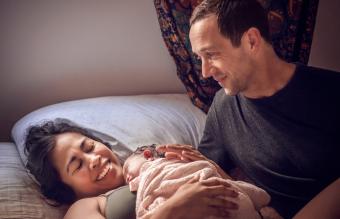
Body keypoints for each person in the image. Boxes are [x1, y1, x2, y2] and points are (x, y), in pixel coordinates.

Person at [158, 0, 340, 218]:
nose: (205, 72)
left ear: (251, 41)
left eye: (212, 54)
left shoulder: (330, 91)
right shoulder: (223, 107)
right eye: (200, 58)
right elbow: (214, 177)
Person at [25, 120, 240, 219]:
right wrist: (174, 210)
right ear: (63, 187)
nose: (94, 160)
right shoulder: (82, 209)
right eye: (77, 165)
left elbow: (236, 188)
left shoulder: (149, 161)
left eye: (90, 147)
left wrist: (205, 164)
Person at [123, 144, 283, 219]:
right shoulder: (97, 202)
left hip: (218, 193)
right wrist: (176, 205)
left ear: (147, 155)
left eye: (127, 171)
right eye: (127, 180)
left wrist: (210, 166)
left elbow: (209, 172)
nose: (128, 179)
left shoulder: (158, 166)